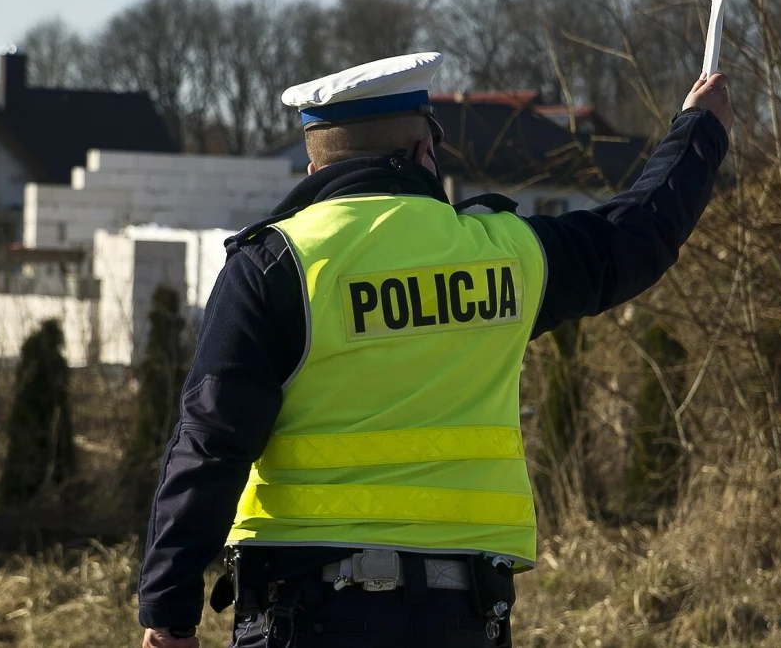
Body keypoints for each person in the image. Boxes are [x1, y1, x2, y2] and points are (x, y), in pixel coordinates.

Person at [138, 52, 732, 648]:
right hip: (464, 614)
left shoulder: (275, 266)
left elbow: (211, 443)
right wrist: (698, 129)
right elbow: (635, 235)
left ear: (315, 166)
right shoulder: (505, 255)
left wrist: (169, 610)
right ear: (425, 150)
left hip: (303, 609)